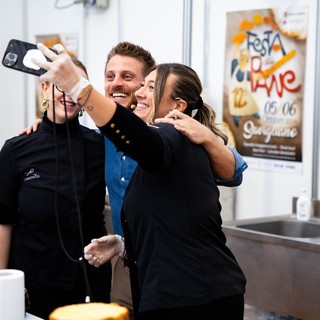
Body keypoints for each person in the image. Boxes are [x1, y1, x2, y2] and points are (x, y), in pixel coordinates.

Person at [21, 42, 247, 319]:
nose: (120, 85)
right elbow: (163, 214)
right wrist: (42, 128)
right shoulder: (101, 139)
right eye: (110, 76)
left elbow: (234, 172)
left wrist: (80, 88)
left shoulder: (174, 133)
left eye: (131, 79)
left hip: (186, 286)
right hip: (139, 264)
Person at [0, 58, 111, 319]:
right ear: (44, 88)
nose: (69, 95)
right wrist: (2, 284)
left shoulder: (101, 146)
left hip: (88, 282)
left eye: (76, 87)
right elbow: (3, 222)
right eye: (61, 85)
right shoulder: (17, 149)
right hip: (34, 281)